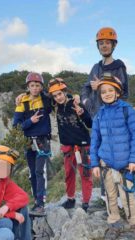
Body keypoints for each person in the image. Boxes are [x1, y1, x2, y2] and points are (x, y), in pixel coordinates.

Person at [90, 73, 135, 239]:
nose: (107, 93)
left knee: (127, 195)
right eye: (103, 91)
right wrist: (94, 163)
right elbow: (95, 140)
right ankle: (114, 222)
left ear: (118, 92)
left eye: (110, 90)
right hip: (106, 163)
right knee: (110, 195)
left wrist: (134, 160)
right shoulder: (99, 115)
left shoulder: (127, 110)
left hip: (125, 164)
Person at [81, 27, 129, 207]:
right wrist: (87, 103)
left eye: (107, 43)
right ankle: (105, 196)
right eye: (101, 43)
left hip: (114, 120)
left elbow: (124, 92)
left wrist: (103, 86)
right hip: (98, 119)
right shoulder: (95, 67)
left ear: (113, 45)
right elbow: (86, 87)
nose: (104, 46)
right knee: (101, 156)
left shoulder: (119, 66)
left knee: (117, 154)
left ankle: (120, 198)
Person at [47, 78, 93, 212]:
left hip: (83, 145)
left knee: (85, 174)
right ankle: (71, 199)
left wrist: (82, 113)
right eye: (55, 96)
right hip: (68, 146)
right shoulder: (56, 106)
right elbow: (42, 95)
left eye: (60, 94)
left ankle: (85, 203)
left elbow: (90, 123)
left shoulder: (75, 103)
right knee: (69, 174)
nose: (58, 98)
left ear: (65, 92)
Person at [13, 71, 52, 216]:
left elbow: (55, 97)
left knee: (40, 171)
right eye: (32, 85)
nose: (35, 88)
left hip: (42, 141)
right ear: (28, 87)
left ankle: (41, 203)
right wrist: (30, 121)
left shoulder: (45, 100)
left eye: (37, 85)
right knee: (32, 174)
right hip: (28, 141)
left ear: (41, 87)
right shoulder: (23, 102)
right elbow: (16, 126)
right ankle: (36, 201)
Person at [0, 145, 32, 239]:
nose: (6, 169)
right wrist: (12, 214)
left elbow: (24, 197)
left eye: (8, 166)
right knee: (7, 222)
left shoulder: (4, 181)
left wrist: (7, 207)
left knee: (23, 208)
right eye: (2, 165)